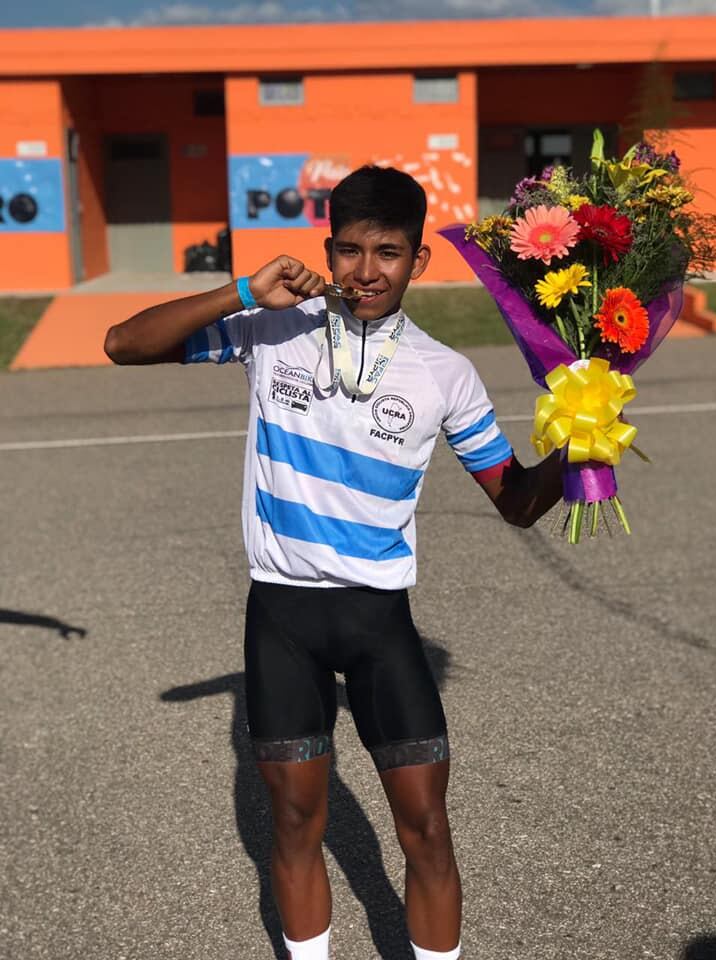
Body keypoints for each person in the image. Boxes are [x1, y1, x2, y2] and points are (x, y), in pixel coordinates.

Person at [105, 165, 562, 960]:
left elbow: (516, 501)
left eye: (388, 252)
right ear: (327, 249)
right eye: (349, 250)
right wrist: (240, 293)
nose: (366, 271)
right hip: (282, 615)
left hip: (379, 620)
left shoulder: (445, 373)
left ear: (419, 260)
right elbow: (123, 344)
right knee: (292, 824)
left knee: (426, 830)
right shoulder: (271, 328)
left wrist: (580, 448)